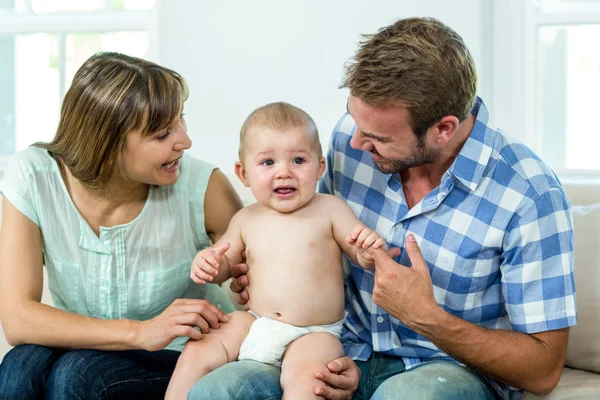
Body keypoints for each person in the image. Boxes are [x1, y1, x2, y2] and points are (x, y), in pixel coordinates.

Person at [188, 17, 577, 400]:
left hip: (444, 369)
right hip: (336, 350)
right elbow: (312, 235)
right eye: (355, 122)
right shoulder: (352, 136)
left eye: (377, 137)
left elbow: (543, 371)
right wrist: (261, 270)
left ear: (442, 129)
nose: (356, 142)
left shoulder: (529, 196)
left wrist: (428, 318)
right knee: (219, 390)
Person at [0, 52, 243, 399]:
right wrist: (141, 331)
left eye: (181, 121)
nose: (185, 142)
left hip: (181, 356)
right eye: (163, 135)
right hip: (86, 347)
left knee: (77, 374)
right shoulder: (34, 177)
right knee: (20, 367)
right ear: (108, 145)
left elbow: (264, 279)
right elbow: (18, 319)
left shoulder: (204, 187)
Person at [164, 102, 398, 400]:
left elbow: (359, 254)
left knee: (310, 382)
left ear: (320, 167)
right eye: (268, 163)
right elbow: (225, 263)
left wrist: (369, 250)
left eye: (299, 160)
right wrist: (209, 263)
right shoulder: (246, 219)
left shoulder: (329, 210)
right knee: (196, 349)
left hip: (313, 331)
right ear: (243, 173)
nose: (284, 172)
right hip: (255, 322)